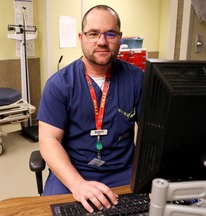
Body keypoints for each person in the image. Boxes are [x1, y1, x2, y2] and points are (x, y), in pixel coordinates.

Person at [37, 4, 144, 213]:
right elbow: (48, 140)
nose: (102, 41)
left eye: (110, 34)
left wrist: (153, 175)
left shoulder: (137, 79)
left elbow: (153, 132)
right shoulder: (59, 84)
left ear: (120, 38)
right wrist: (78, 184)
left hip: (124, 170)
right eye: (93, 33)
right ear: (81, 37)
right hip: (74, 170)